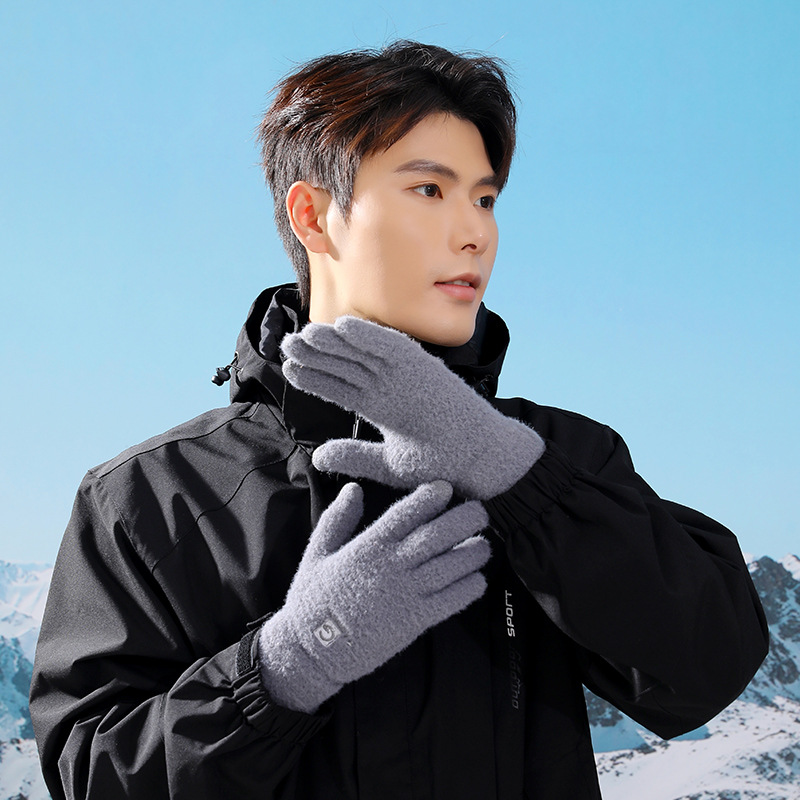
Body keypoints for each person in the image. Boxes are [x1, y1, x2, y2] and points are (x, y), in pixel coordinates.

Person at [30, 41, 768, 799]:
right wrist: (286, 666)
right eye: (429, 190)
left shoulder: (557, 456)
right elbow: (94, 777)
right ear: (314, 215)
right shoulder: (154, 496)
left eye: (485, 199)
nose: (476, 232)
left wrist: (518, 480)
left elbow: (706, 670)